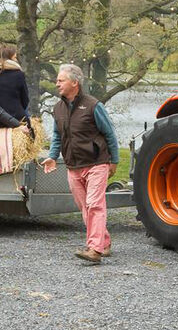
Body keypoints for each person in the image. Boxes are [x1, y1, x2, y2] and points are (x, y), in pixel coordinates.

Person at [41, 64, 119, 264]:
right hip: (73, 166)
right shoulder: (57, 109)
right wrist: (52, 155)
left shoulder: (93, 105)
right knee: (85, 207)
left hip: (97, 163)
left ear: (74, 83)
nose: (57, 83)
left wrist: (114, 161)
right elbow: (57, 136)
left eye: (61, 80)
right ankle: (104, 242)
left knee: (94, 205)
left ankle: (94, 250)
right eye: (57, 80)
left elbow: (110, 134)